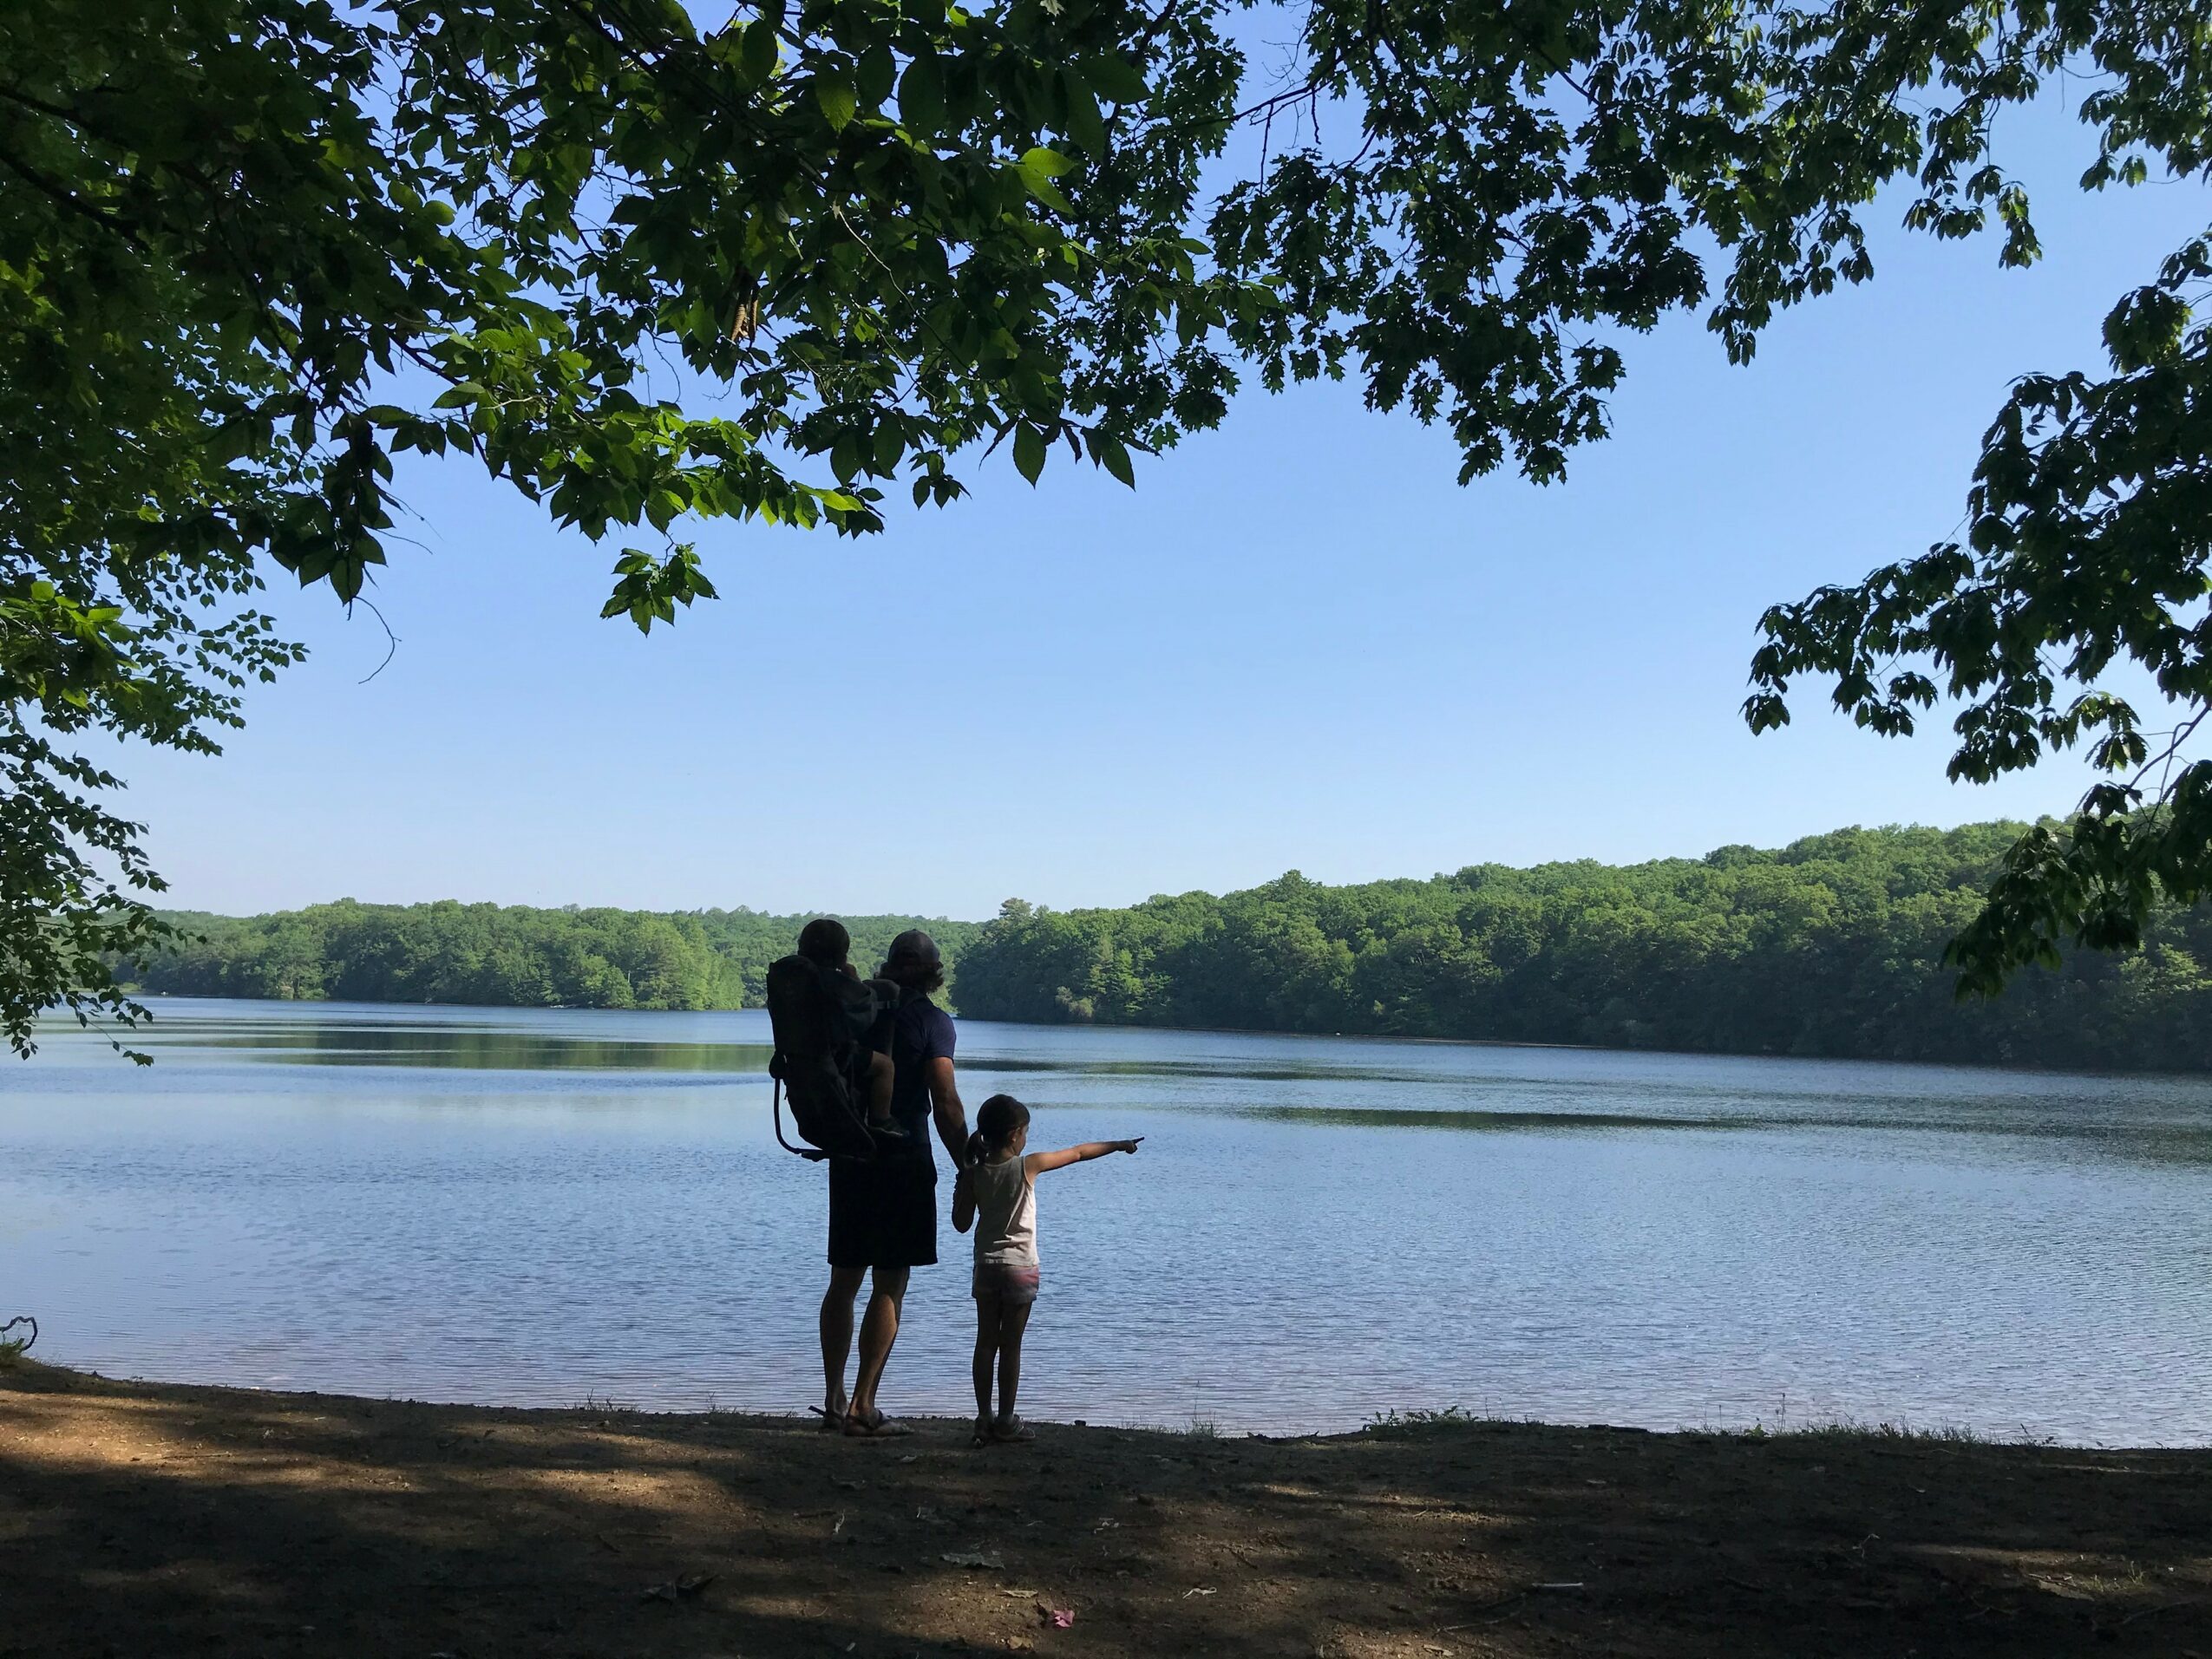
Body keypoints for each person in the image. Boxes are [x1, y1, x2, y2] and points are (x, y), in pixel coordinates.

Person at [819, 928, 969, 1437]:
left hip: (851, 1152)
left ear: (887, 965)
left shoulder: (859, 1009)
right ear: (934, 972)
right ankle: (864, 1406)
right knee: (890, 1281)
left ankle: (834, 1400)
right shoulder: (932, 1021)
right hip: (902, 1157)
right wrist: (967, 1165)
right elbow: (945, 1101)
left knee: (843, 1280)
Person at [952, 1093, 1142, 1447]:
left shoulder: (974, 1173)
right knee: (1011, 1346)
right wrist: (1119, 1145)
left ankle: (983, 1418)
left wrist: (961, 1184)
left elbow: (960, 1224)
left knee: (985, 1342)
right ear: (1014, 1135)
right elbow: (1078, 1153)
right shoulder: (1027, 1166)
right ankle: (1006, 1421)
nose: (1026, 1138)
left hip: (987, 1268)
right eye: (1025, 1132)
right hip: (1020, 1270)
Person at [793, 918, 897, 1137]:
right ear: (841, 954)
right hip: (834, 1057)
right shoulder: (832, 981)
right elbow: (865, 1015)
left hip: (798, 1060)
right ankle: (881, 1120)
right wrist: (854, 979)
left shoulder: (791, 979)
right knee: (885, 1066)